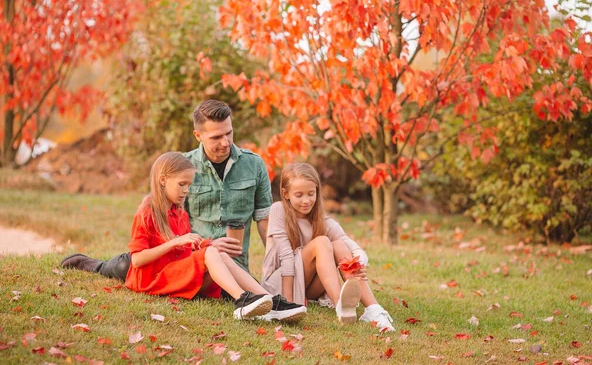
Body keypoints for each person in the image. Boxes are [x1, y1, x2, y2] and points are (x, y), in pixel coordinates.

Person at [61, 100, 272, 278]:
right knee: (131, 266)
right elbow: (163, 219)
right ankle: (97, 265)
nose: (226, 143)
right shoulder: (182, 169)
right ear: (198, 136)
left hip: (236, 267)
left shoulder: (254, 165)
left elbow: (264, 221)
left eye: (229, 133)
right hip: (190, 261)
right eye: (216, 137)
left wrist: (274, 269)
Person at [123, 151, 305, 321]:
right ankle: (242, 300)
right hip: (152, 280)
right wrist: (176, 242)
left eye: (189, 185)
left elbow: (186, 253)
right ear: (163, 180)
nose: (186, 190)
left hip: (175, 275)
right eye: (182, 184)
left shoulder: (180, 214)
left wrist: (207, 244)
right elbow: (137, 260)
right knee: (210, 253)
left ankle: (271, 301)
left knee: (220, 254)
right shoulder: (147, 212)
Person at [261, 163, 395, 330]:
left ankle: (373, 308)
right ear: (285, 194)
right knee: (322, 242)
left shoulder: (320, 219)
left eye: (311, 194)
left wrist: (358, 261)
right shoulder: (278, 210)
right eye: (299, 195)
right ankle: (341, 304)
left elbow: (348, 243)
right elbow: (286, 257)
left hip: (307, 286)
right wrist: (287, 303)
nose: (306, 200)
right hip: (280, 283)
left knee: (338, 245)